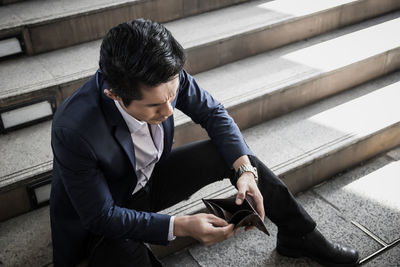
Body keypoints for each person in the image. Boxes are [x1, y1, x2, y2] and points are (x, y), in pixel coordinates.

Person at [50, 19, 359, 267]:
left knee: (231, 155)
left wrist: (245, 170)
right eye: (155, 106)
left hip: (149, 181)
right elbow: (100, 216)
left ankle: (299, 235)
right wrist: (180, 225)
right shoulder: (73, 130)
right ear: (114, 94)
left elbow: (213, 113)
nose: (169, 111)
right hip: (105, 213)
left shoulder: (163, 78)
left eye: (172, 96)